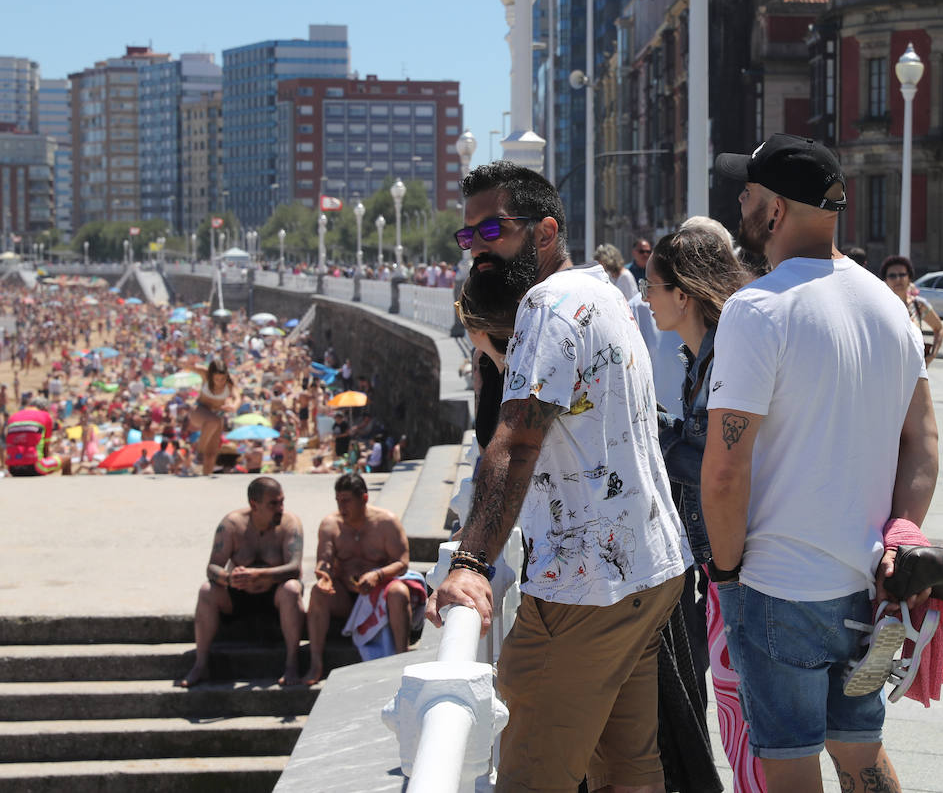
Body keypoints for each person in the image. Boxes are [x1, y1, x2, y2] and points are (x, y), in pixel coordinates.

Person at [428, 161, 690, 792]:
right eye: (470, 237)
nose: (479, 249)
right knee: (628, 770)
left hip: (585, 587)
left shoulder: (548, 304)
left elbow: (517, 441)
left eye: (494, 229)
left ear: (545, 232)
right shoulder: (604, 292)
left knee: (530, 774)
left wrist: (470, 561)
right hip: (647, 571)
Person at [703, 134, 938, 792]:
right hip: (873, 590)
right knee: (861, 749)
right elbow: (924, 443)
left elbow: (724, 471)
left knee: (790, 762)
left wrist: (727, 576)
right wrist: (903, 536)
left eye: (746, 193)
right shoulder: (890, 308)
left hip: (780, 589)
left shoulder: (758, 309)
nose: (740, 206)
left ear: (775, 210)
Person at [645, 224, 763, 791]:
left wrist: (654, 441)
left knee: (747, 712)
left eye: (652, 286)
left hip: (731, 561)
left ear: (682, 294)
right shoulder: (702, 356)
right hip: (714, 555)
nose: (645, 299)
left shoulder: (721, 361)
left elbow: (721, 465)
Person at [179, 476, 305, 687]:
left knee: (292, 589)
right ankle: (201, 663)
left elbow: (294, 568)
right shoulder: (232, 524)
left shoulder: (290, 524)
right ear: (254, 505)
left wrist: (260, 575)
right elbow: (212, 566)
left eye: (282, 501)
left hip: (275, 596)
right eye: (273, 504)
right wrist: (229, 579)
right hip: (239, 593)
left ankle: (292, 662)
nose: (280, 508)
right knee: (206, 590)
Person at [303, 473, 412, 684]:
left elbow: (402, 563)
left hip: (379, 591)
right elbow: (323, 561)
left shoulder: (386, 522)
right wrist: (323, 575)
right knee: (318, 592)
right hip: (346, 595)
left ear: (364, 498)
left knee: (399, 591)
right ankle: (316, 662)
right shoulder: (330, 525)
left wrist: (378, 574)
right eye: (338, 501)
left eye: (346, 501)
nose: (341, 507)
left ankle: (402, 656)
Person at [879, 255, 943, 364]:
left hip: (915, 369)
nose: (898, 279)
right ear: (885, 280)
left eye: (902, 274)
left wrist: (933, 355)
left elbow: (939, 328)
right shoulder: (879, 307)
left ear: (909, 278)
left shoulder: (919, 305)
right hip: (887, 368)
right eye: (892, 276)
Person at [185, 358, 234, 475]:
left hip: (217, 415)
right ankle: (198, 455)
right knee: (214, 421)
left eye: (222, 378)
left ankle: (205, 477)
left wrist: (233, 405)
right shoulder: (205, 375)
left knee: (211, 454)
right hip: (199, 411)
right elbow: (188, 366)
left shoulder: (230, 383)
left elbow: (237, 397)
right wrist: (189, 363)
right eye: (216, 378)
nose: (219, 381)